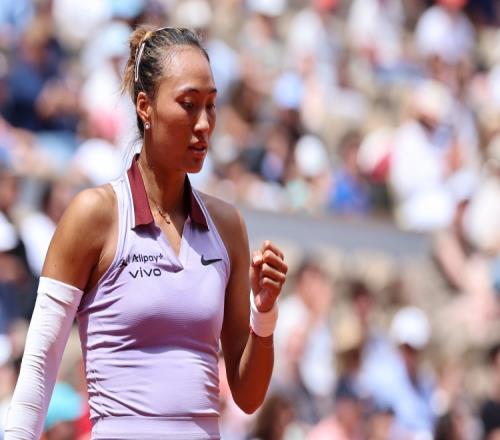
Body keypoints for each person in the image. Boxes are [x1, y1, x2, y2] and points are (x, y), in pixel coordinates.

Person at [4, 26, 288, 439]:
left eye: (211, 105)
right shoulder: (93, 215)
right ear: (145, 107)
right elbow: (38, 370)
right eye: (188, 104)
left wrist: (264, 313)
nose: (204, 123)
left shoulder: (228, 227)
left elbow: (247, 395)